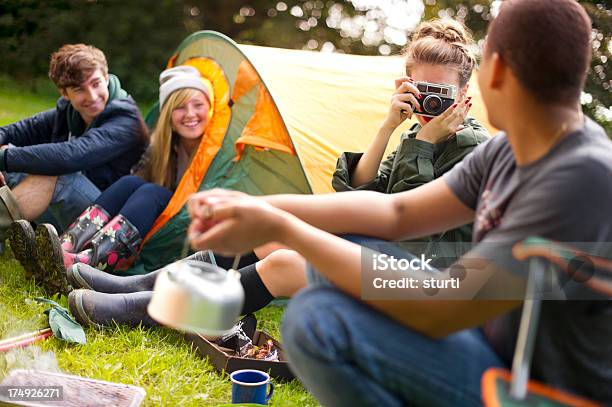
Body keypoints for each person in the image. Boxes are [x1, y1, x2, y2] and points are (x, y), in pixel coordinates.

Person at [185, 1, 612, 405]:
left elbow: (443, 305)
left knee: (317, 321)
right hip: (493, 342)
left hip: (540, 390)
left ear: (494, 71)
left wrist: (284, 229)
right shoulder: (514, 151)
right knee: (328, 287)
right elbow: (395, 213)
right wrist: (261, 206)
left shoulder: (580, 176)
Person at [59, 18, 488, 328]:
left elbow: (409, 231)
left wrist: (423, 144)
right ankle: (143, 288)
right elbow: (362, 196)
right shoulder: (419, 134)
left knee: (284, 260)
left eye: (441, 93)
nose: (431, 103)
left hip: (438, 274)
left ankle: (150, 311)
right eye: (421, 90)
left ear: (465, 93)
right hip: (396, 255)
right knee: (271, 234)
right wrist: (388, 128)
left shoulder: (471, 148)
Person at [10, 65, 215, 295]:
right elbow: (134, 184)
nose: (190, 114)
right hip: (150, 225)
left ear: (210, 107)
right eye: (179, 107)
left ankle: (85, 264)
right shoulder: (163, 148)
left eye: (198, 105)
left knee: (154, 193)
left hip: (181, 235)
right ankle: (63, 248)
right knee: (132, 183)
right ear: (168, 113)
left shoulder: (217, 154)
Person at [0, 44, 147, 239]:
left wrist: (4, 156)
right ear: (64, 93)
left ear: (106, 76)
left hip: (110, 223)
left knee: (55, 173)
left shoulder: (126, 120)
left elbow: (71, 155)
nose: (92, 96)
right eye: (79, 89)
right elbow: (15, 131)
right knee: (19, 162)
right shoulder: (68, 113)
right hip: (74, 214)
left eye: (96, 83)